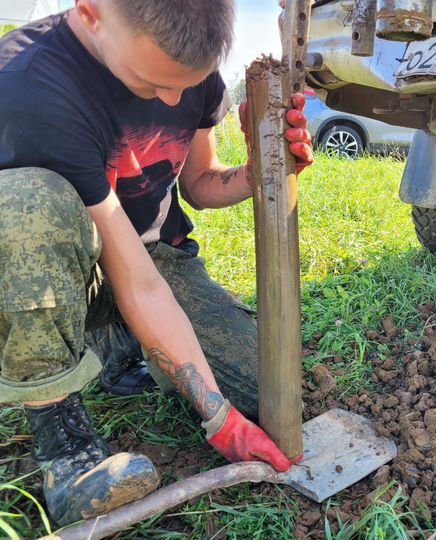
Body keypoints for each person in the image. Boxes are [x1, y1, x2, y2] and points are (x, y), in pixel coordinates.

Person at [0, 0, 313, 526]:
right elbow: (135, 281)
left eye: (186, 85)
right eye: (152, 82)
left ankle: (123, 343)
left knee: (258, 392)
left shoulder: (190, 70)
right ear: (91, 13)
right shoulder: (31, 87)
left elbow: (200, 184)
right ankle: (64, 445)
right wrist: (218, 421)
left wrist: (263, 169)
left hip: (155, 255)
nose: (173, 99)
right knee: (27, 205)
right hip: (65, 270)